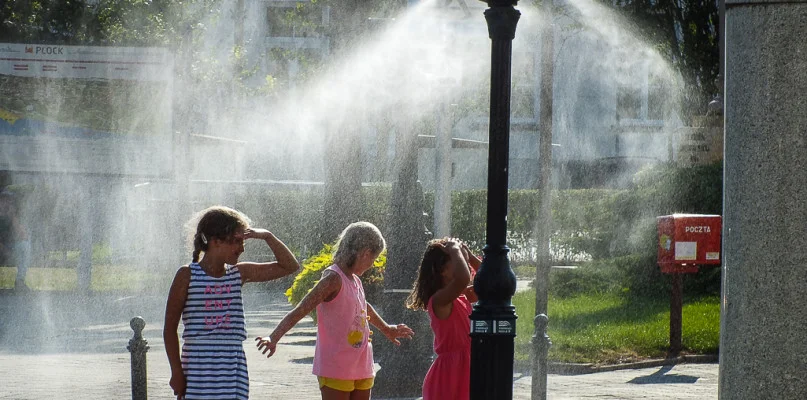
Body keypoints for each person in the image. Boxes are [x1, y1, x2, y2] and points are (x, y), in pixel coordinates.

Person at [255, 221, 414, 400]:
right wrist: (274, 337)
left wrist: (386, 328)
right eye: (373, 259)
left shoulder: (355, 281)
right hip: (336, 365)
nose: (372, 264)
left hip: (361, 363)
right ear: (365, 253)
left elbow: (364, 306)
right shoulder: (332, 279)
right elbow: (301, 309)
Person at [163, 206, 300, 400]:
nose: (242, 248)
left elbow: (290, 266)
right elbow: (169, 328)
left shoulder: (238, 274)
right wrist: (176, 372)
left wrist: (267, 236)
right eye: (237, 241)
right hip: (198, 369)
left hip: (233, 368)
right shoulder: (187, 275)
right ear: (215, 241)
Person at [405, 237, 481, 400]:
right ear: (442, 269)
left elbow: (489, 280)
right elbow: (463, 278)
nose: (464, 261)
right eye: (457, 258)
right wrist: (454, 248)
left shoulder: (462, 296)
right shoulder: (439, 300)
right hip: (449, 376)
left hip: (465, 369)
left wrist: (467, 252)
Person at [0, 189, 31, 291]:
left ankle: (19, 281)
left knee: (25, 245)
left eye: (10, 200)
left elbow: (23, 236)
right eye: (4, 200)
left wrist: (13, 216)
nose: (7, 203)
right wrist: (3, 249)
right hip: (2, 247)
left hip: (9, 247)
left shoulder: (13, 216)